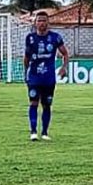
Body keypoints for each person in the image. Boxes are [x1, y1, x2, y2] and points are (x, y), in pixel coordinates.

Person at [24, 11, 69, 141]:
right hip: (34, 77)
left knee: (46, 104)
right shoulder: (30, 38)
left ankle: (44, 133)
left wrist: (63, 67)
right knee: (33, 102)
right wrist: (25, 73)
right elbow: (26, 57)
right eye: (39, 20)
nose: (41, 23)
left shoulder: (55, 37)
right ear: (35, 23)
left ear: (48, 23)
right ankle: (33, 132)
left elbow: (65, 54)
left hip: (49, 78)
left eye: (44, 20)